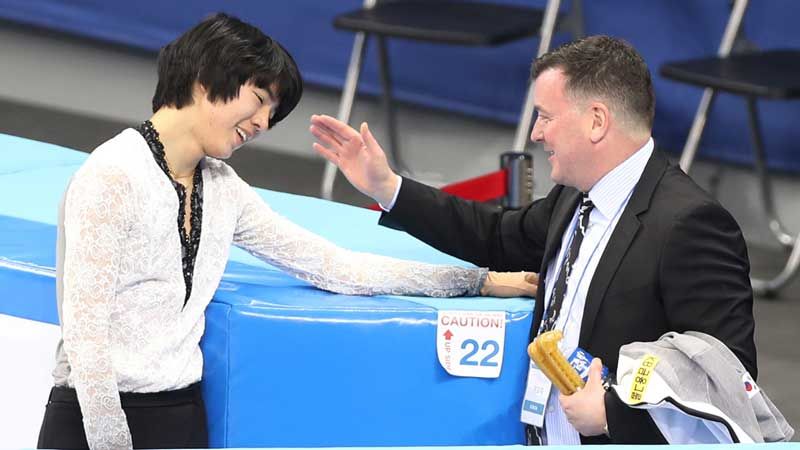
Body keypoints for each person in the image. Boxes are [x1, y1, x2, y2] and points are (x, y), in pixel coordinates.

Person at [38, 13, 537, 450]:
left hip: (182, 415)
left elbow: (339, 267)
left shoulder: (224, 189)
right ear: (202, 78)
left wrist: (480, 281)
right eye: (257, 101)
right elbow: (86, 341)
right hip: (94, 421)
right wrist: (110, 444)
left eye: (271, 114)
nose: (262, 124)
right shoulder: (113, 175)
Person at [310, 35, 757, 444]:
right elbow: (493, 235)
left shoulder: (691, 224)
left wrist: (613, 413)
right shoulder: (574, 196)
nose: (535, 133)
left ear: (596, 121)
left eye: (544, 116)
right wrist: (388, 187)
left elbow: (729, 380)